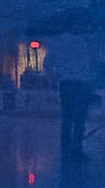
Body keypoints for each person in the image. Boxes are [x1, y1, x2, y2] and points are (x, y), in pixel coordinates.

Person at [42, 31, 99, 162]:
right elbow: (90, 64)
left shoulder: (56, 41)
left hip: (66, 84)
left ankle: (66, 151)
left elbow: (48, 64)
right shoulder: (84, 41)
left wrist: (52, 80)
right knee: (80, 120)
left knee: (67, 119)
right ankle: (77, 151)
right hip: (82, 84)